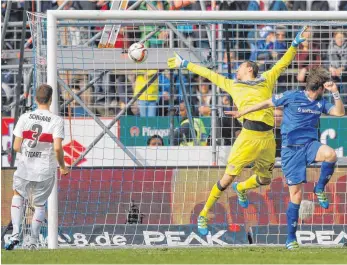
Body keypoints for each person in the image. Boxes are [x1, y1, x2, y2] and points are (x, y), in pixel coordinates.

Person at [168, 26, 308, 236]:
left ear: (249, 69)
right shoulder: (233, 85)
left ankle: (242, 189)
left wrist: (295, 45)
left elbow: (283, 63)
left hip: (269, 138)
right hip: (248, 137)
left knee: (265, 180)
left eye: (240, 67)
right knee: (226, 179)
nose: (237, 71)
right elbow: (209, 74)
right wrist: (185, 64)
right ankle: (203, 214)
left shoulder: (266, 78)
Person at [227, 67, 345, 249]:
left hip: (310, 145)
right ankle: (291, 238)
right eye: (326, 88)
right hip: (291, 151)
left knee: (330, 154)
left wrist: (336, 93)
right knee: (296, 195)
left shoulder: (321, 103)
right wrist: (243, 112)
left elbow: (340, 113)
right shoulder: (291, 96)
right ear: (321, 88)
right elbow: (266, 103)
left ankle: (319, 188)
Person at [5, 84, 69, 250]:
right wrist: (62, 166)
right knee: (39, 204)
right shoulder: (57, 120)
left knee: (18, 194)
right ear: (50, 99)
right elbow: (57, 148)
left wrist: (29, 151)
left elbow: (16, 146)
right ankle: (33, 241)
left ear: (35, 99)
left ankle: (15, 235)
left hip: (25, 167)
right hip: (44, 170)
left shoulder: (25, 117)